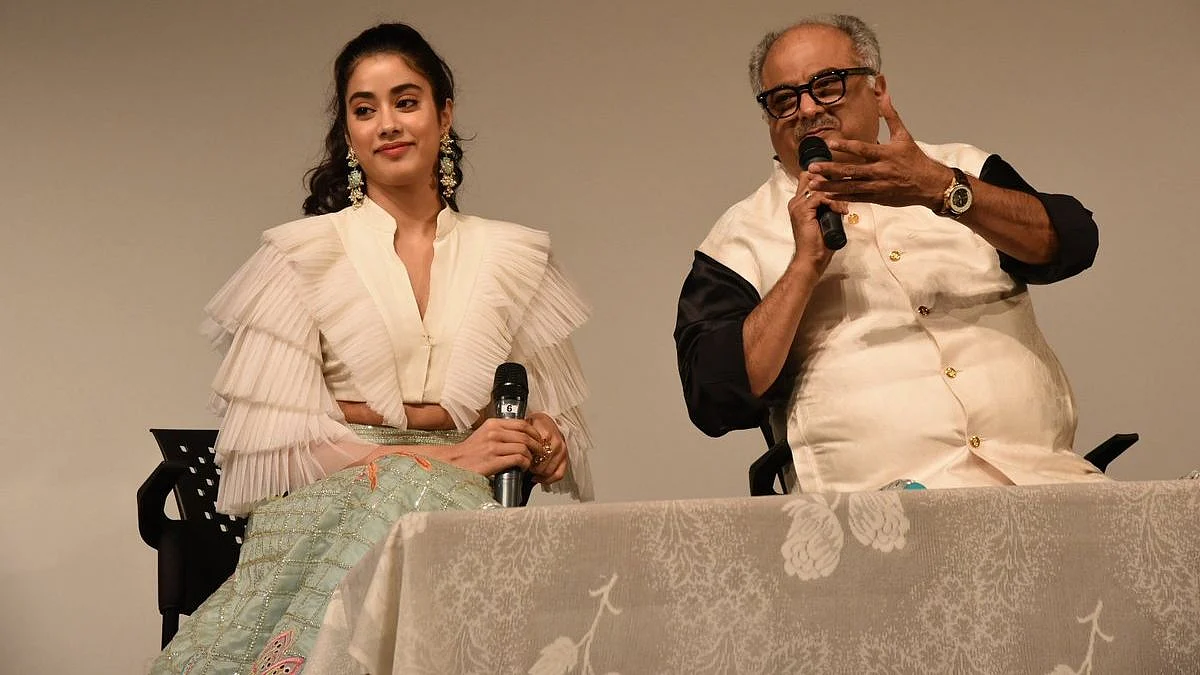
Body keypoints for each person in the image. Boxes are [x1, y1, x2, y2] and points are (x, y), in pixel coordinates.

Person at [151, 23, 592, 674]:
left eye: (406, 101)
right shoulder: (303, 257)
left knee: (460, 528)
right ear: (350, 133)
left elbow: (546, 417)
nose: (387, 123)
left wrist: (543, 437)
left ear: (445, 115)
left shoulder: (509, 254)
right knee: (409, 501)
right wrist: (443, 460)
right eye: (365, 109)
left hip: (470, 498)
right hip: (332, 495)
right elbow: (283, 445)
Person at [674, 14, 1104, 494]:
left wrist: (943, 190)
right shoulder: (739, 237)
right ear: (769, 120)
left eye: (828, 85)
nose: (808, 109)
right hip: (871, 517)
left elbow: (1071, 243)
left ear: (878, 91)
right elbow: (713, 398)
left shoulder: (961, 168)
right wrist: (803, 269)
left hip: (1041, 482)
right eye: (783, 100)